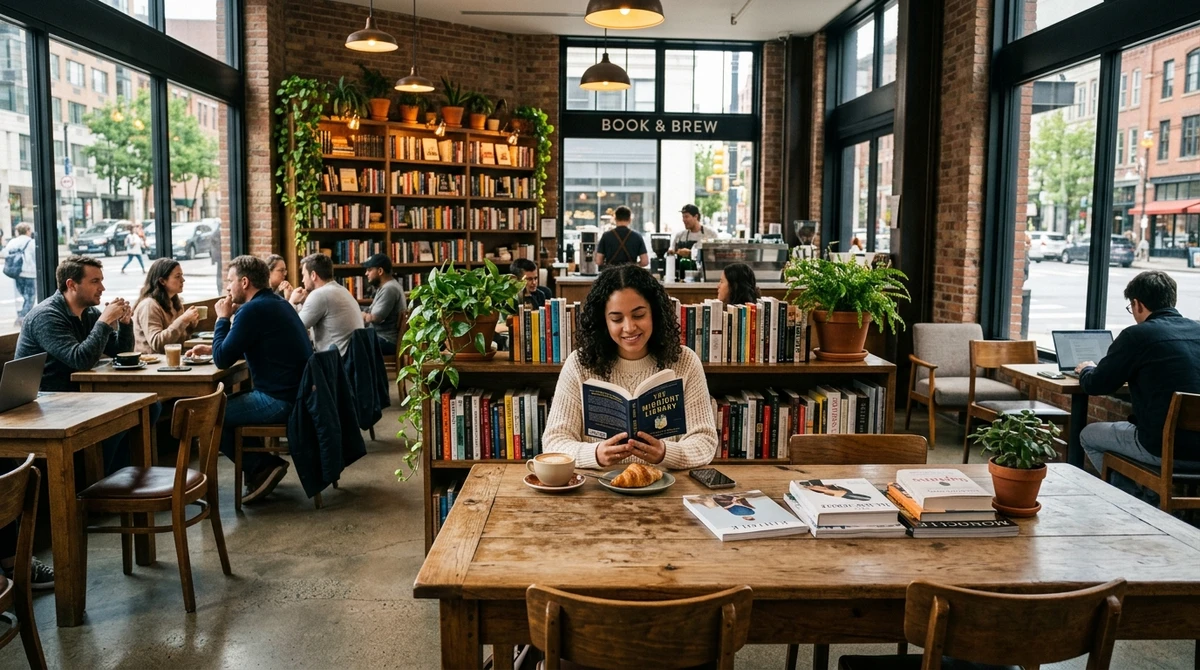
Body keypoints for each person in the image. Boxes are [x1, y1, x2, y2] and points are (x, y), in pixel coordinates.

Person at [540, 264, 717, 470]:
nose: (629, 327)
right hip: (597, 491)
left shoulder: (684, 362)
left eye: (639, 315)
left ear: (655, 313)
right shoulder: (579, 364)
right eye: (616, 318)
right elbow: (554, 442)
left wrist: (665, 453)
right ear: (603, 321)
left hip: (666, 489)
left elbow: (704, 442)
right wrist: (595, 454)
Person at [15, 255, 160, 474]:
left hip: (78, 396)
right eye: (95, 281)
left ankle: (116, 479)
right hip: (44, 401)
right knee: (119, 419)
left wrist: (125, 324)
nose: (102, 287)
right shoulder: (47, 316)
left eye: (101, 280)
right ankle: (97, 481)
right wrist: (103, 322)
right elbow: (80, 360)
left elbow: (120, 352)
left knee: (150, 407)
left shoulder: (89, 313)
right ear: (71, 285)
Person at [186, 255, 313, 503]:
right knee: (225, 407)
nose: (227, 287)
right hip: (298, 394)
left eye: (230, 280)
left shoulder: (251, 310)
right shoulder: (276, 303)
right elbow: (247, 346)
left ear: (244, 282)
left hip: (280, 400)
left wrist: (222, 318)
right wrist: (211, 348)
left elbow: (223, 359)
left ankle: (261, 467)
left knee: (209, 415)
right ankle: (262, 467)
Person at [1074, 271, 1200, 498]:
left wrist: (1086, 370)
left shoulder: (1138, 335)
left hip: (1162, 448)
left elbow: (1096, 385)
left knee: (1089, 435)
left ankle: (1134, 503)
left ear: (1137, 304)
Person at [288, 253, 364, 356]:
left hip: (335, 364)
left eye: (303, 275)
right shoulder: (341, 290)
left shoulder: (319, 294)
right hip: (351, 361)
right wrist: (303, 303)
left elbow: (292, 328)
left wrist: (291, 301)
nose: (302, 280)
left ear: (313, 275)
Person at [132, 258, 200, 354]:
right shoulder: (149, 305)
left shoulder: (175, 303)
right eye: (177, 276)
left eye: (182, 276)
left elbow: (177, 341)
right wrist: (183, 320)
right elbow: (157, 344)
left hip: (171, 361)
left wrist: (190, 326)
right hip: (151, 364)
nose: (183, 280)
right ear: (162, 281)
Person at [361, 253, 406, 356]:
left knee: (350, 343)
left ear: (380, 271)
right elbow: (371, 310)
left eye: (369, 270)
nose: (366, 273)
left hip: (386, 341)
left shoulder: (389, 289)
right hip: (381, 338)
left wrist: (361, 315)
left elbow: (375, 318)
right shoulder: (385, 287)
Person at [1, 223, 37, 326]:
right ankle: (22, 319)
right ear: (27, 230)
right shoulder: (31, 242)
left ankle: (22, 316)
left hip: (17, 273)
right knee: (30, 297)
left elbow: (5, 254)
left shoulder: (13, 242)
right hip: (30, 273)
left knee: (24, 296)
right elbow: (36, 257)